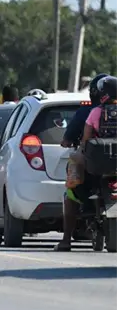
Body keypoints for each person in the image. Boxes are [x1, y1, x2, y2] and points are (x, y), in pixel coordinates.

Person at [54, 73, 109, 251]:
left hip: (91, 168)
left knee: (71, 193)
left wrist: (69, 143)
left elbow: (71, 140)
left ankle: (66, 240)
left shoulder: (88, 112)